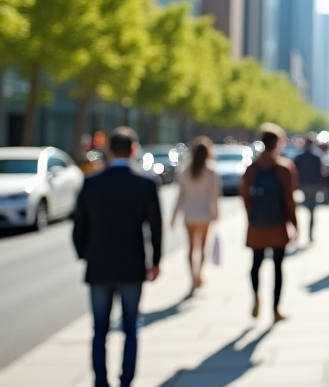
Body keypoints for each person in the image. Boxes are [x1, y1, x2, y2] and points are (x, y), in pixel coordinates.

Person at [72, 126, 162, 387]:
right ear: (134, 150)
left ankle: (101, 381)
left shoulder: (91, 182)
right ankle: (126, 381)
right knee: (130, 328)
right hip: (131, 264)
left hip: (98, 265)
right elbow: (155, 227)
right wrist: (155, 261)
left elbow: (79, 227)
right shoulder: (145, 183)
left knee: (99, 329)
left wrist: (85, 255)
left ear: (109, 149)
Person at [240, 123, 297, 322]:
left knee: (256, 264)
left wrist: (251, 216)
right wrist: (294, 224)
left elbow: (245, 196)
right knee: (278, 267)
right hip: (278, 224)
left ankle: (256, 296)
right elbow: (290, 200)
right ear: (278, 143)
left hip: (257, 224)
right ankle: (275, 309)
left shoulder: (252, 168)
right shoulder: (284, 167)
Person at [171, 136, 220, 291]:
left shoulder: (185, 170)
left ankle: (193, 276)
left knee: (191, 248)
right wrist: (216, 212)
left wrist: (174, 215)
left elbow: (181, 195)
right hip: (205, 214)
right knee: (203, 247)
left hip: (190, 214)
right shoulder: (211, 171)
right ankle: (199, 274)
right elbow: (214, 195)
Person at [293, 133, 326, 244]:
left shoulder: (299, 156)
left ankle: (298, 232)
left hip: (303, 185)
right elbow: (321, 172)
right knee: (312, 211)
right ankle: (310, 234)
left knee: (301, 209)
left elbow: (294, 171)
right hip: (313, 186)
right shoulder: (317, 156)